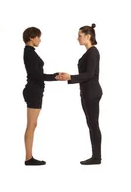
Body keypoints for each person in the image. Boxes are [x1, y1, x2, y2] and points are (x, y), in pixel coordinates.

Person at [55, 23, 102, 165]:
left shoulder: (93, 52)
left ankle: (97, 157)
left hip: (92, 92)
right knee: (91, 124)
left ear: (88, 36)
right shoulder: (89, 52)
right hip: (87, 92)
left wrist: (71, 77)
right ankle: (96, 156)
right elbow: (86, 74)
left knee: (93, 124)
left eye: (80, 36)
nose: (77, 38)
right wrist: (70, 78)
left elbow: (89, 74)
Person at [21, 27, 60, 166]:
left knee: (33, 124)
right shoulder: (29, 53)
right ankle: (28, 158)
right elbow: (35, 75)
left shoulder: (30, 52)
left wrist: (54, 76)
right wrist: (55, 77)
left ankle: (29, 157)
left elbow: (36, 74)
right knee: (31, 125)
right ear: (32, 37)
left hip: (35, 90)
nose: (40, 40)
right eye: (38, 37)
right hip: (33, 90)